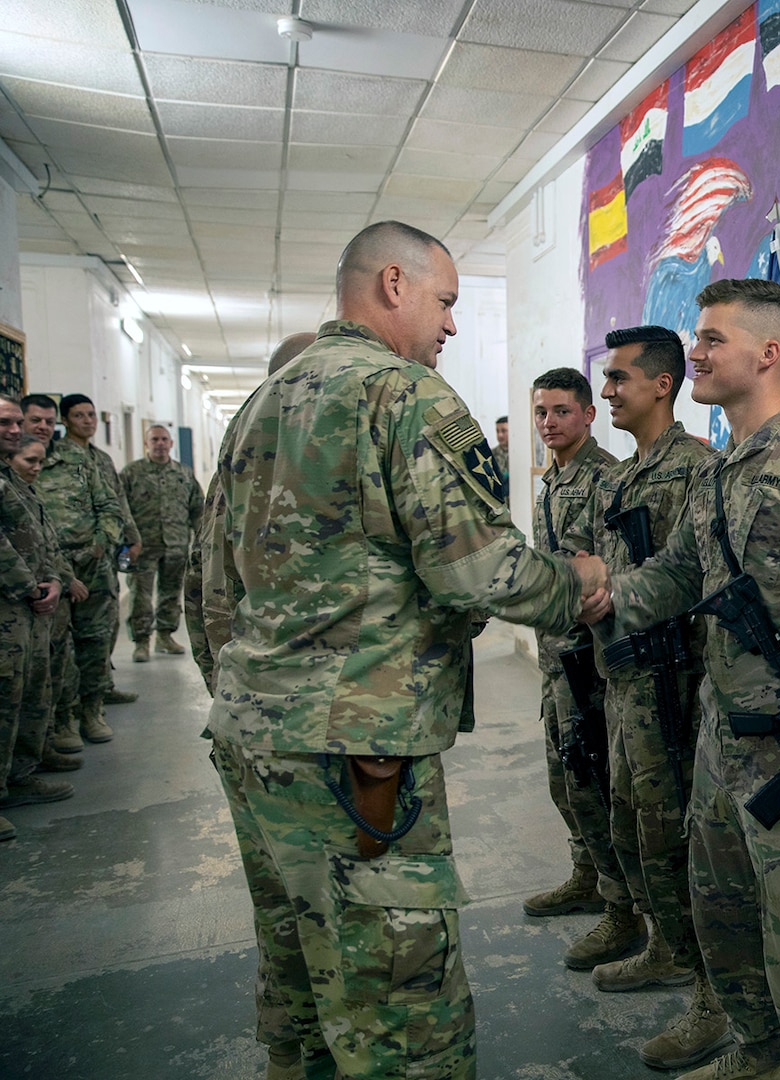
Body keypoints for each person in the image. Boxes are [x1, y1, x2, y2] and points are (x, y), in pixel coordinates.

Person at [202, 220, 607, 1080]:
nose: (452, 326)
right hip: (356, 755)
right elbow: (476, 571)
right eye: (446, 301)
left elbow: (215, 588)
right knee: (399, 1010)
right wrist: (578, 585)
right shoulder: (405, 397)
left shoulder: (263, 402)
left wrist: (255, 693)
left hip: (251, 741)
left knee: (300, 979)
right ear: (395, 283)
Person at [587, 278, 780, 1080]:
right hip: (719, 741)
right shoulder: (717, 473)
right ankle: (754, 1047)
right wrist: (583, 593)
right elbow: (672, 577)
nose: (693, 353)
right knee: (722, 914)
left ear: (769, 354)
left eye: (710, 340)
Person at [566, 325, 728, 1071]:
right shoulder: (630, 475)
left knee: (678, 846)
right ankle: (665, 948)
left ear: (662, 384)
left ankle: (712, 995)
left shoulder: (696, 469)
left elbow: (694, 580)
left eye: (620, 379)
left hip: (675, 690)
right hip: (625, 684)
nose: (608, 393)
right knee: (634, 831)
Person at [520, 368, 629, 934]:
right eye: (542, 412)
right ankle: (586, 874)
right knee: (564, 777)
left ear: (589, 414)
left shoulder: (604, 479)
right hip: (553, 657)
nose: (549, 422)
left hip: (587, 661)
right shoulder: (553, 479)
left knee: (592, 778)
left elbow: (608, 575)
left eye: (561, 411)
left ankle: (621, 907)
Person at [184, 331, 317, 693]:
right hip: (270, 672)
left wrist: (211, 667)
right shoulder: (282, 458)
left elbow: (198, 578)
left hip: (239, 668)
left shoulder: (240, 451)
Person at [24, 394, 124, 752]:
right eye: (35, 420)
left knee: (96, 642)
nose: (43, 427)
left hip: (93, 566)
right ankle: (63, 719)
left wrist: (101, 545)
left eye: (49, 422)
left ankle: (92, 711)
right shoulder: (19, 465)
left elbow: (110, 506)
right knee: (58, 651)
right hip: (47, 573)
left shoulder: (80, 460)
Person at [0, 405, 74, 840]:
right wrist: (30, 585)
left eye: (16, 422)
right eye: (6, 424)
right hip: (13, 600)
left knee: (27, 689)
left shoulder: (13, 481)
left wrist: (54, 580)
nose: (17, 429)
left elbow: (37, 536)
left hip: (29, 604)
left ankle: (19, 775)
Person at [59, 392, 141, 706]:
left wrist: (133, 537)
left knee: (107, 624)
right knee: (80, 631)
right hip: (73, 558)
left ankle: (102, 685)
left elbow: (119, 503)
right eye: (79, 415)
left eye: (91, 415)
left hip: (103, 556)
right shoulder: (56, 458)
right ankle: (77, 700)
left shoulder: (102, 459)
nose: (88, 421)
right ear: (65, 421)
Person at [121, 424, 203, 662]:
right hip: (142, 547)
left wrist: (201, 541)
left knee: (171, 593)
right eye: (154, 439)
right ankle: (141, 641)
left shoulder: (184, 473)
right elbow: (120, 510)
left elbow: (198, 509)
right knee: (140, 596)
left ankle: (165, 636)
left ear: (171, 443)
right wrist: (126, 545)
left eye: (164, 439)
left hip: (176, 546)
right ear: (146, 443)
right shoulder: (131, 473)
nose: (160, 443)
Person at [492, 415, 510, 496]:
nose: (500, 435)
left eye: (504, 431)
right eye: (497, 431)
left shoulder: (519, 455)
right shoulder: (491, 454)